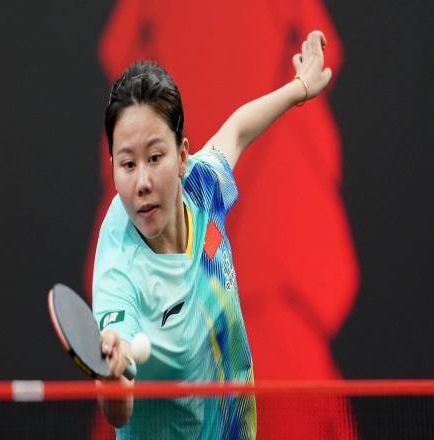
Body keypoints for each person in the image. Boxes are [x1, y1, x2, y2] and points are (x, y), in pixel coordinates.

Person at [92, 30, 332, 439]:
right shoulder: (119, 272)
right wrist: (113, 379)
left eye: (155, 157)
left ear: (183, 156)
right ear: (113, 165)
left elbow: (236, 130)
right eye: (127, 164)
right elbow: (118, 410)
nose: (142, 182)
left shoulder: (200, 187)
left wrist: (299, 88)